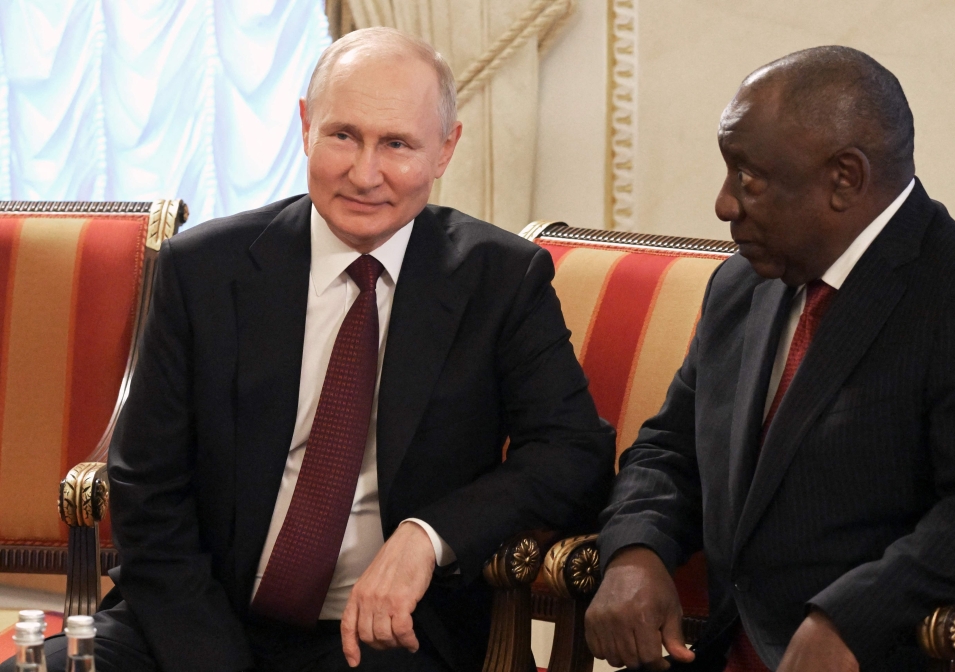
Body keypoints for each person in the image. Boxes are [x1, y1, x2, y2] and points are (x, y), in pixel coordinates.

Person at [0, 27, 615, 672]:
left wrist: (427, 537)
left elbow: (573, 451)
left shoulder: (500, 280)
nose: (364, 173)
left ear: (446, 148)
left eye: (397, 144)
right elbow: (147, 489)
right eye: (342, 135)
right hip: (195, 619)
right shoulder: (206, 269)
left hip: (383, 637)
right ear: (304, 125)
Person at [584, 46, 955, 672]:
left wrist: (852, 614)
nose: (724, 204)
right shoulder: (743, 285)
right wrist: (634, 550)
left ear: (845, 178)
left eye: (748, 177)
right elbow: (670, 449)